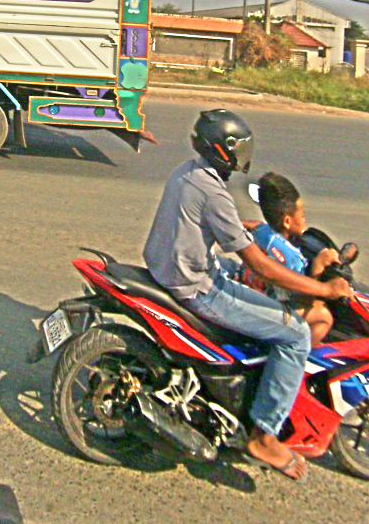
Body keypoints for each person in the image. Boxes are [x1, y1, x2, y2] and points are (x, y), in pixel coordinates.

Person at [142, 109, 352, 482]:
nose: (244, 154)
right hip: (196, 286)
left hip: (172, 268)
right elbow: (262, 268)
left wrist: (244, 228)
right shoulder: (214, 193)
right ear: (224, 150)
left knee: (242, 283)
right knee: (296, 334)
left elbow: (211, 220)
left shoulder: (189, 172)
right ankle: (265, 436)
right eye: (239, 147)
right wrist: (324, 288)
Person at [239, 172, 339, 346]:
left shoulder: (260, 231)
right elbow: (304, 298)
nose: (304, 219)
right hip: (268, 307)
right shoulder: (293, 258)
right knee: (323, 315)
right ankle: (298, 353)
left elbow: (257, 228)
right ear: (287, 221)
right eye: (302, 215)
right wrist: (317, 268)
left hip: (249, 292)